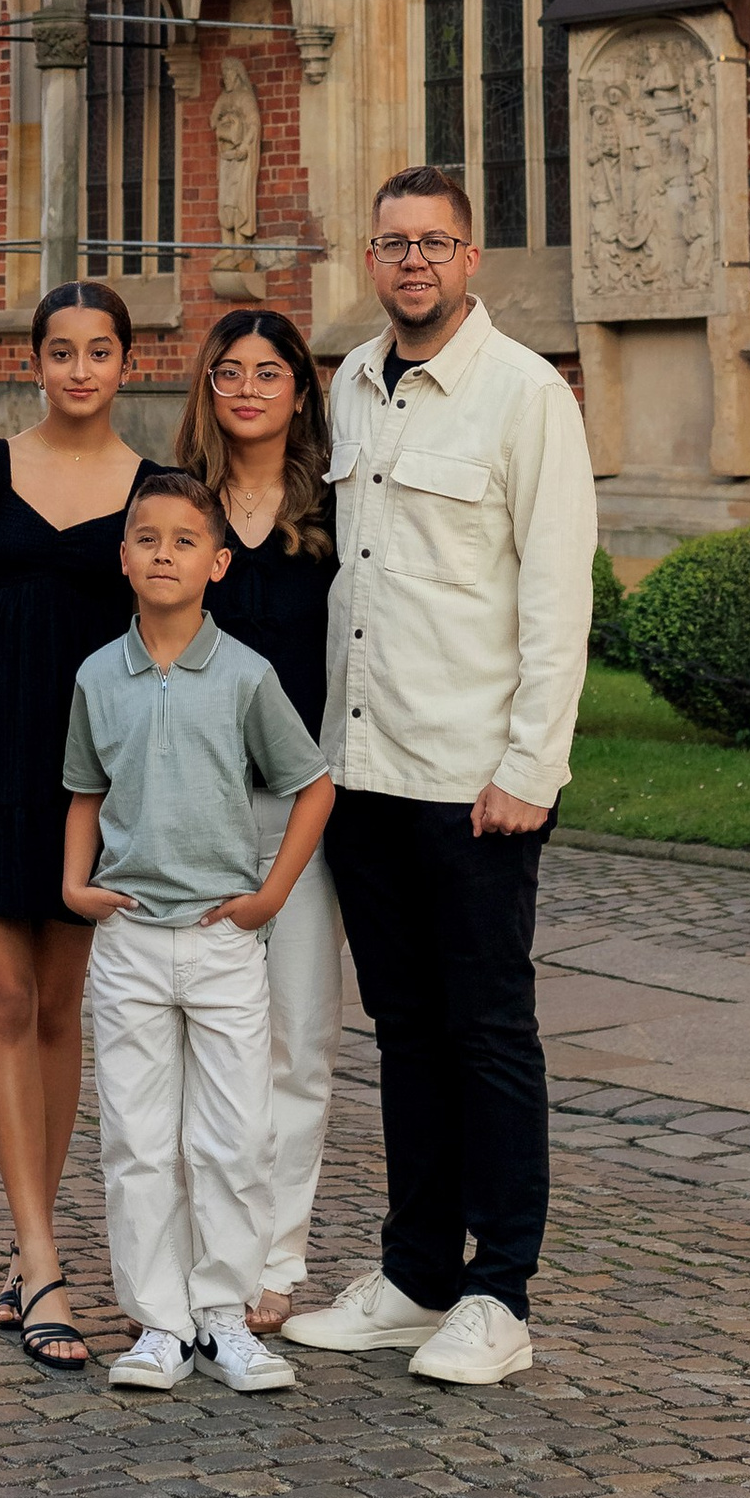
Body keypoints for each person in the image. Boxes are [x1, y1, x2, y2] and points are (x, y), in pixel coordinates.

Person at [283, 164, 596, 1390]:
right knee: (404, 1036)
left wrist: (531, 765)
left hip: (475, 783)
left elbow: (555, 595)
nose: (412, 260)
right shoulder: (351, 387)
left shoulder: (525, 399)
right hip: (363, 773)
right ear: (372, 260)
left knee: (488, 1035)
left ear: (472, 261)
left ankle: (497, 1293)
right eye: (392, 242)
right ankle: (414, 1276)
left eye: (435, 243)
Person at [0, 277, 165, 1375]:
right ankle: (44, 1255)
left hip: (88, 787)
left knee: (60, 1007)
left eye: (98, 352)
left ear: (124, 365)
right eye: (60, 352)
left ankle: (30, 1245)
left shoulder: (150, 489)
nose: (78, 370)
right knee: (1, 996)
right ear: (35, 362)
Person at [62, 470, 333, 1395]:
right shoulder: (99, 676)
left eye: (185, 540)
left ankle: (225, 1316)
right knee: (138, 1138)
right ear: (124, 557)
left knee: (233, 1135)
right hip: (130, 940)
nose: (164, 553)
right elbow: (84, 790)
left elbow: (312, 784)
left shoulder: (247, 675)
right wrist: (74, 883)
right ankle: (158, 1323)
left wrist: (268, 897)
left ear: (218, 563)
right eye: (147, 538)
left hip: (224, 942)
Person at [176, 304, 339, 1329]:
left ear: (298, 390)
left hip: (303, 801)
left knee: (297, 1037)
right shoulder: (175, 504)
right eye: (228, 372)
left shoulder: (337, 508)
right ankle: (205, 1250)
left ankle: (276, 1258)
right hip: (193, 805)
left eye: (266, 372)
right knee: (202, 1038)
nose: (245, 388)